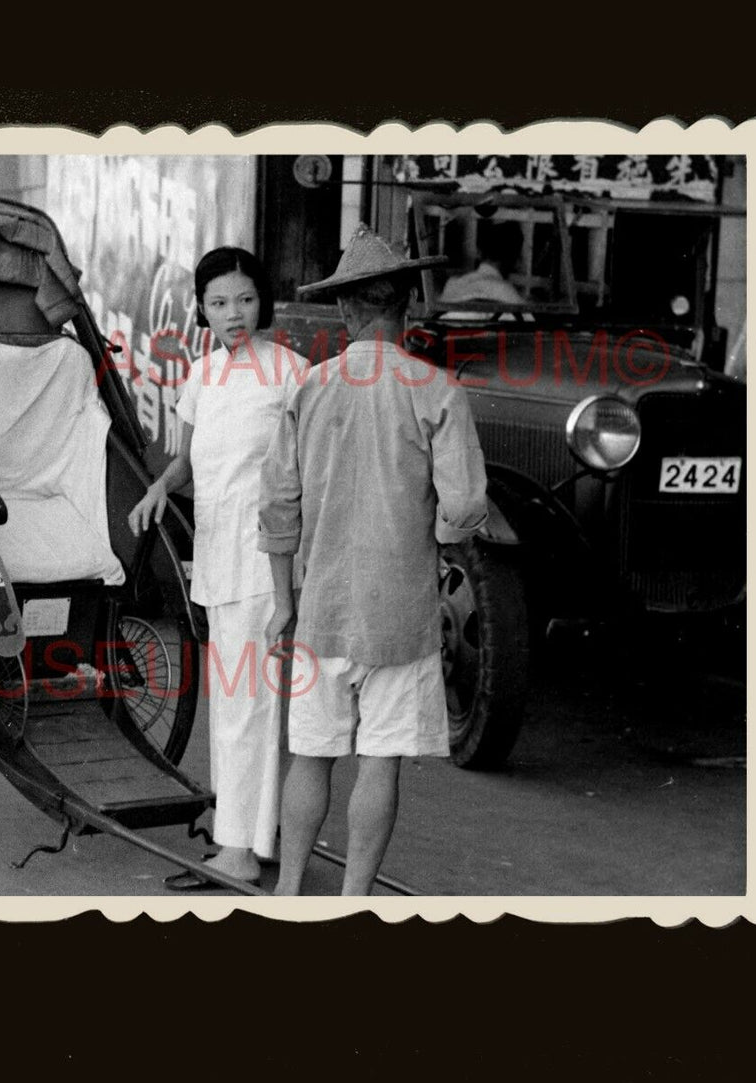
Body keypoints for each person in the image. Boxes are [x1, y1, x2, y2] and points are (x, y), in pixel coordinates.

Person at [258, 225, 489, 895]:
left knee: (309, 756)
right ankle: (353, 897)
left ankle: (288, 890)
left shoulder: (308, 388)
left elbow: (276, 506)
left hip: (319, 610)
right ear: (406, 308)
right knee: (379, 761)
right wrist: (438, 539)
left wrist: (282, 603)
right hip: (401, 615)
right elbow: (464, 506)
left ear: (344, 309)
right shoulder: (436, 390)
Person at [128, 246, 310, 889]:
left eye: (245, 300)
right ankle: (254, 833)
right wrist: (159, 487)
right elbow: (194, 462)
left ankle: (240, 847)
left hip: (267, 560)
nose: (234, 313)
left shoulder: (292, 372)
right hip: (217, 556)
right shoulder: (200, 377)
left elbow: (304, 474)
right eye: (219, 303)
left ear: (263, 301)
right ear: (202, 310)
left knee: (248, 703)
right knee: (242, 701)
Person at [439, 218, 525, 316]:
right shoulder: (508, 294)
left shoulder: (453, 284)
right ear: (514, 258)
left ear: (479, 252)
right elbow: (528, 326)